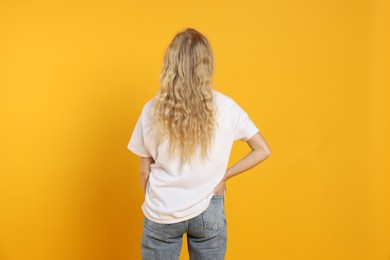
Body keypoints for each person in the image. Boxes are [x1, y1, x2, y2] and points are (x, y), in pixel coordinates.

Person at [127, 27, 271, 260]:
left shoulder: (151, 109)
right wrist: (224, 176)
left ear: (170, 63)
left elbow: (145, 171)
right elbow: (263, 149)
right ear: (206, 65)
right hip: (209, 208)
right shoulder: (226, 107)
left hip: (163, 209)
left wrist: (155, 204)